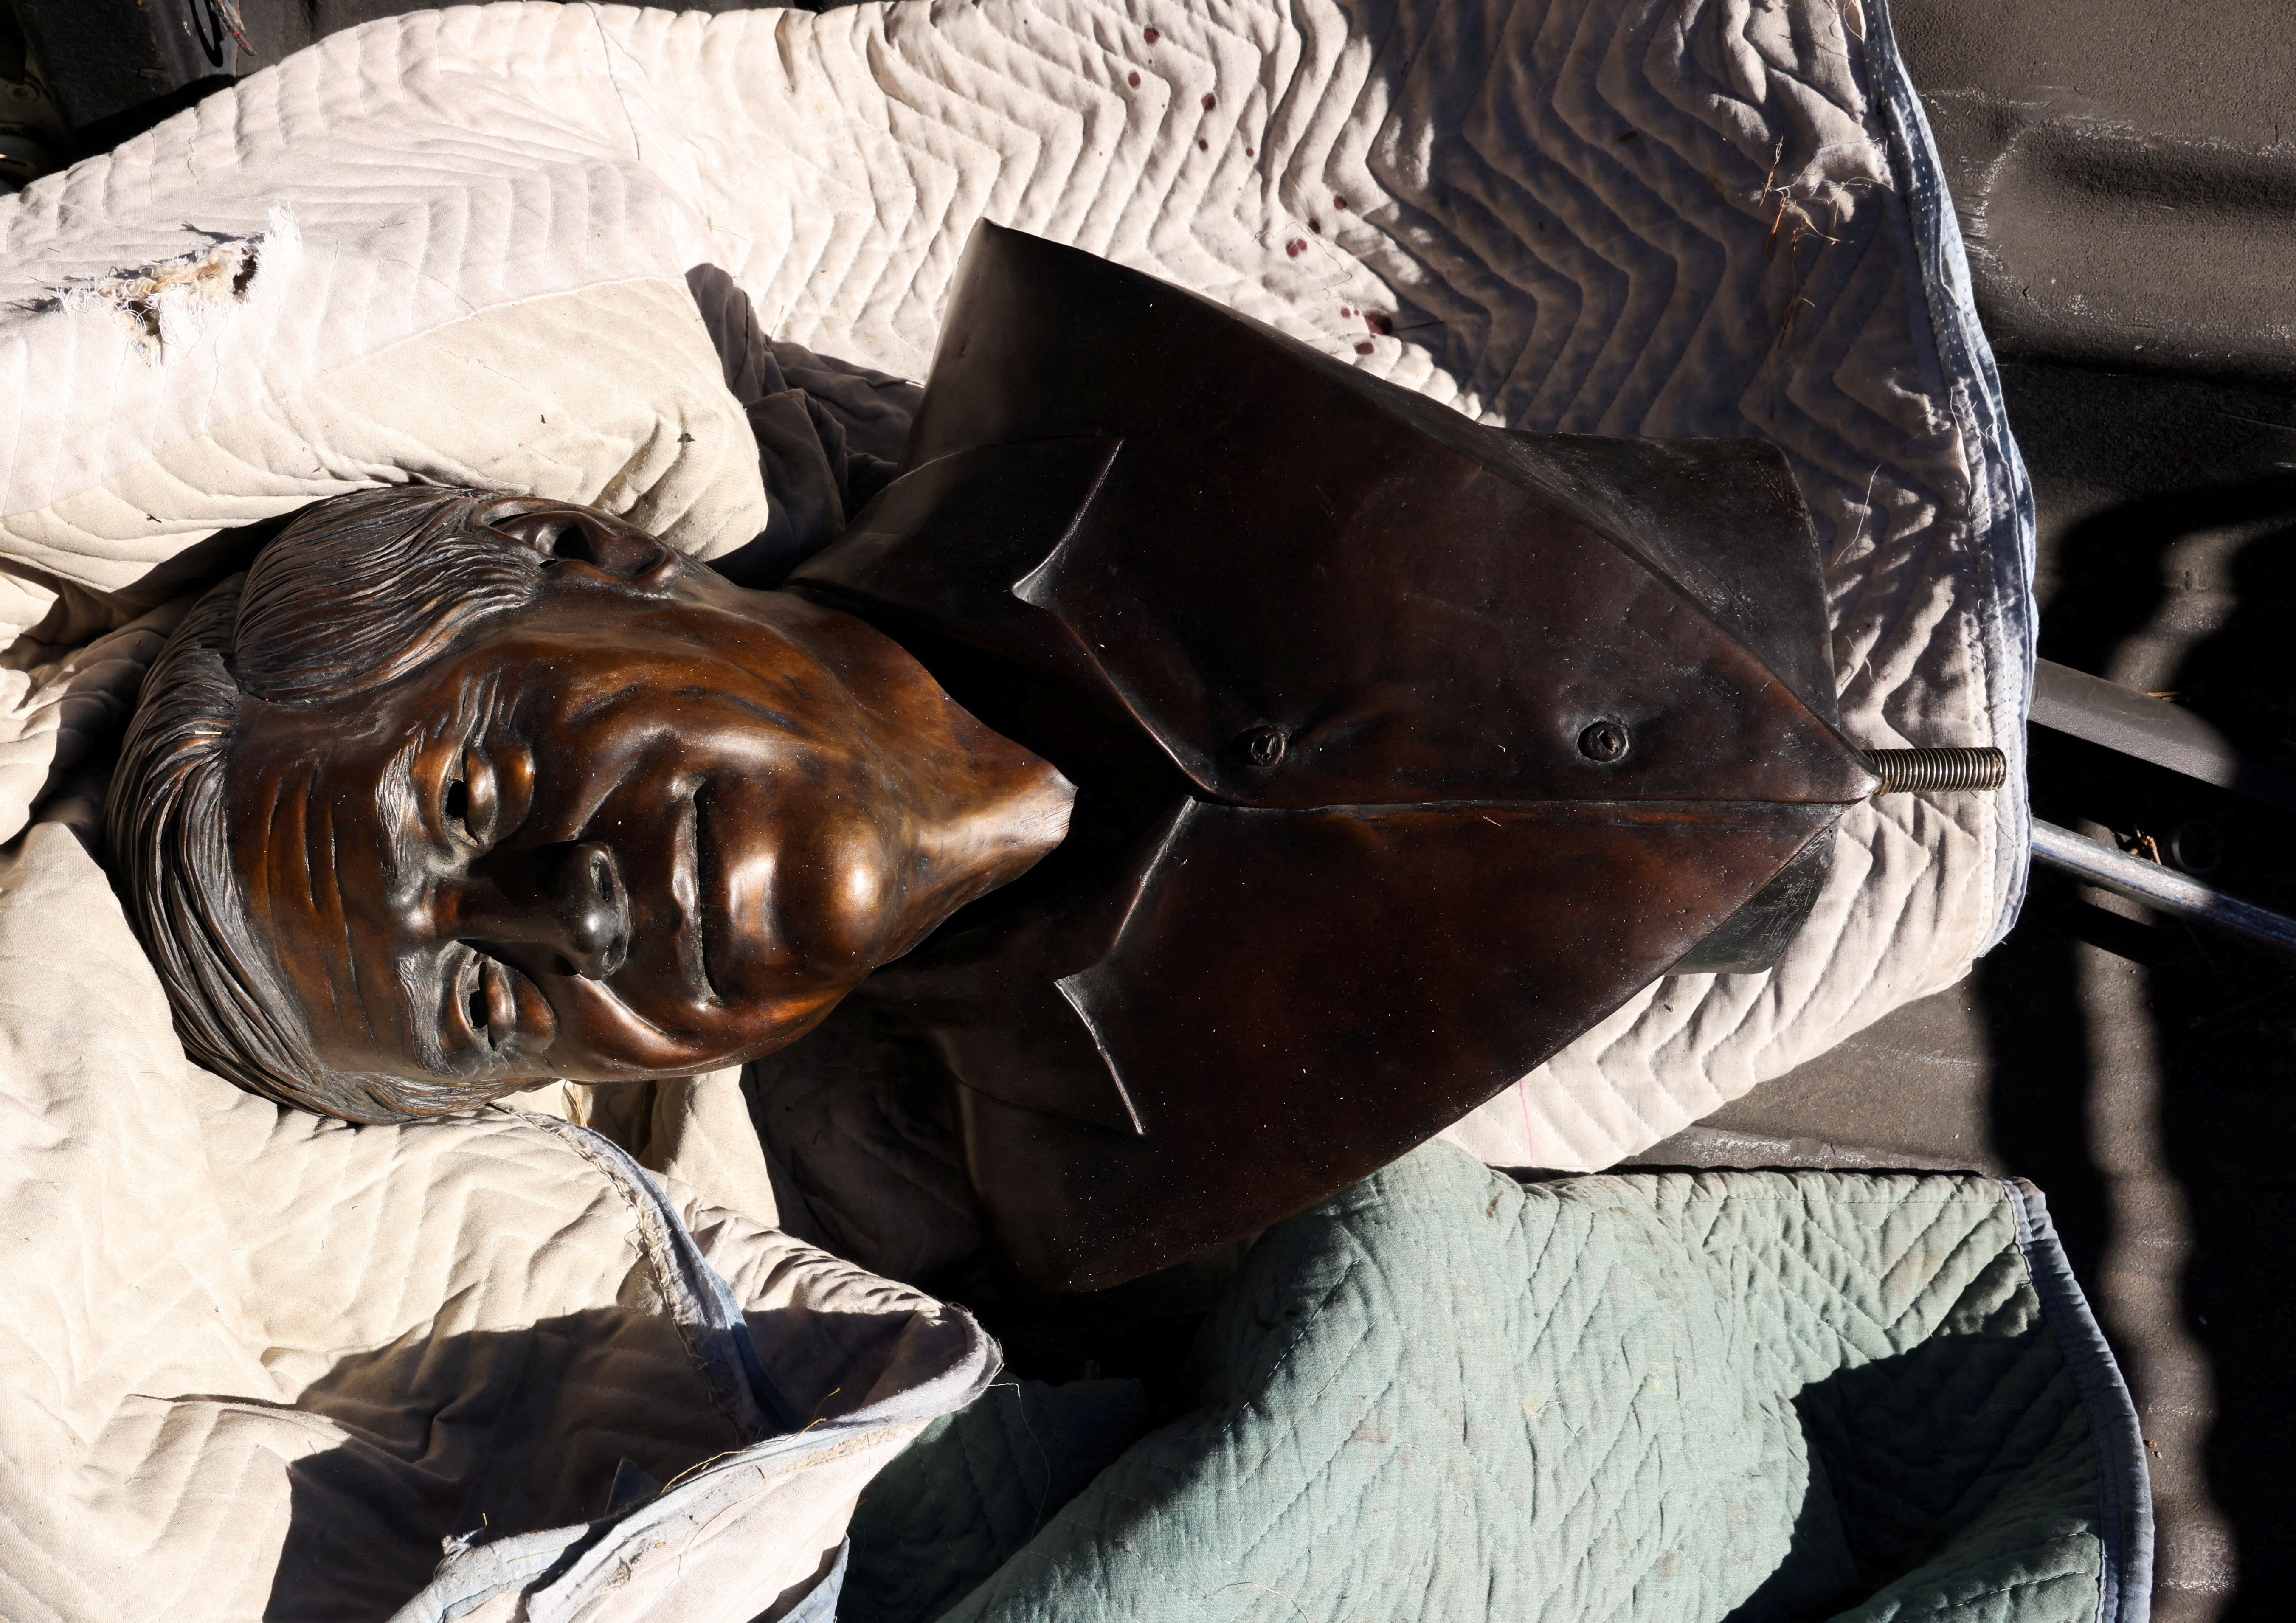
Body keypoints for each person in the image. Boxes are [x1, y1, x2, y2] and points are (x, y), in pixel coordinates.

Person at [109, 225, 1882, 1292]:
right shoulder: (1097, 1183)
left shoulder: (1093, 400)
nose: (571, 913)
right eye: (492, 1006)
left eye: (469, 798)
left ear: (583, 556)